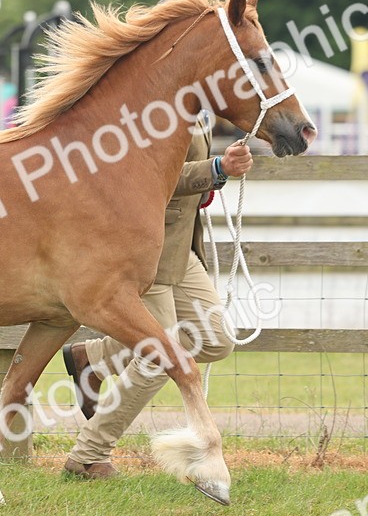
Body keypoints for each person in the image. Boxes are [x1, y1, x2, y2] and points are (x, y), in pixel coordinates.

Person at [60, 122, 252, 478]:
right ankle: (88, 455)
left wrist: (216, 177)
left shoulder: (195, 101)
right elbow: (145, 175)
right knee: (157, 361)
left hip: (180, 250)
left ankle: (95, 358)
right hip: (147, 250)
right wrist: (216, 169)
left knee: (216, 340)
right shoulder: (151, 105)